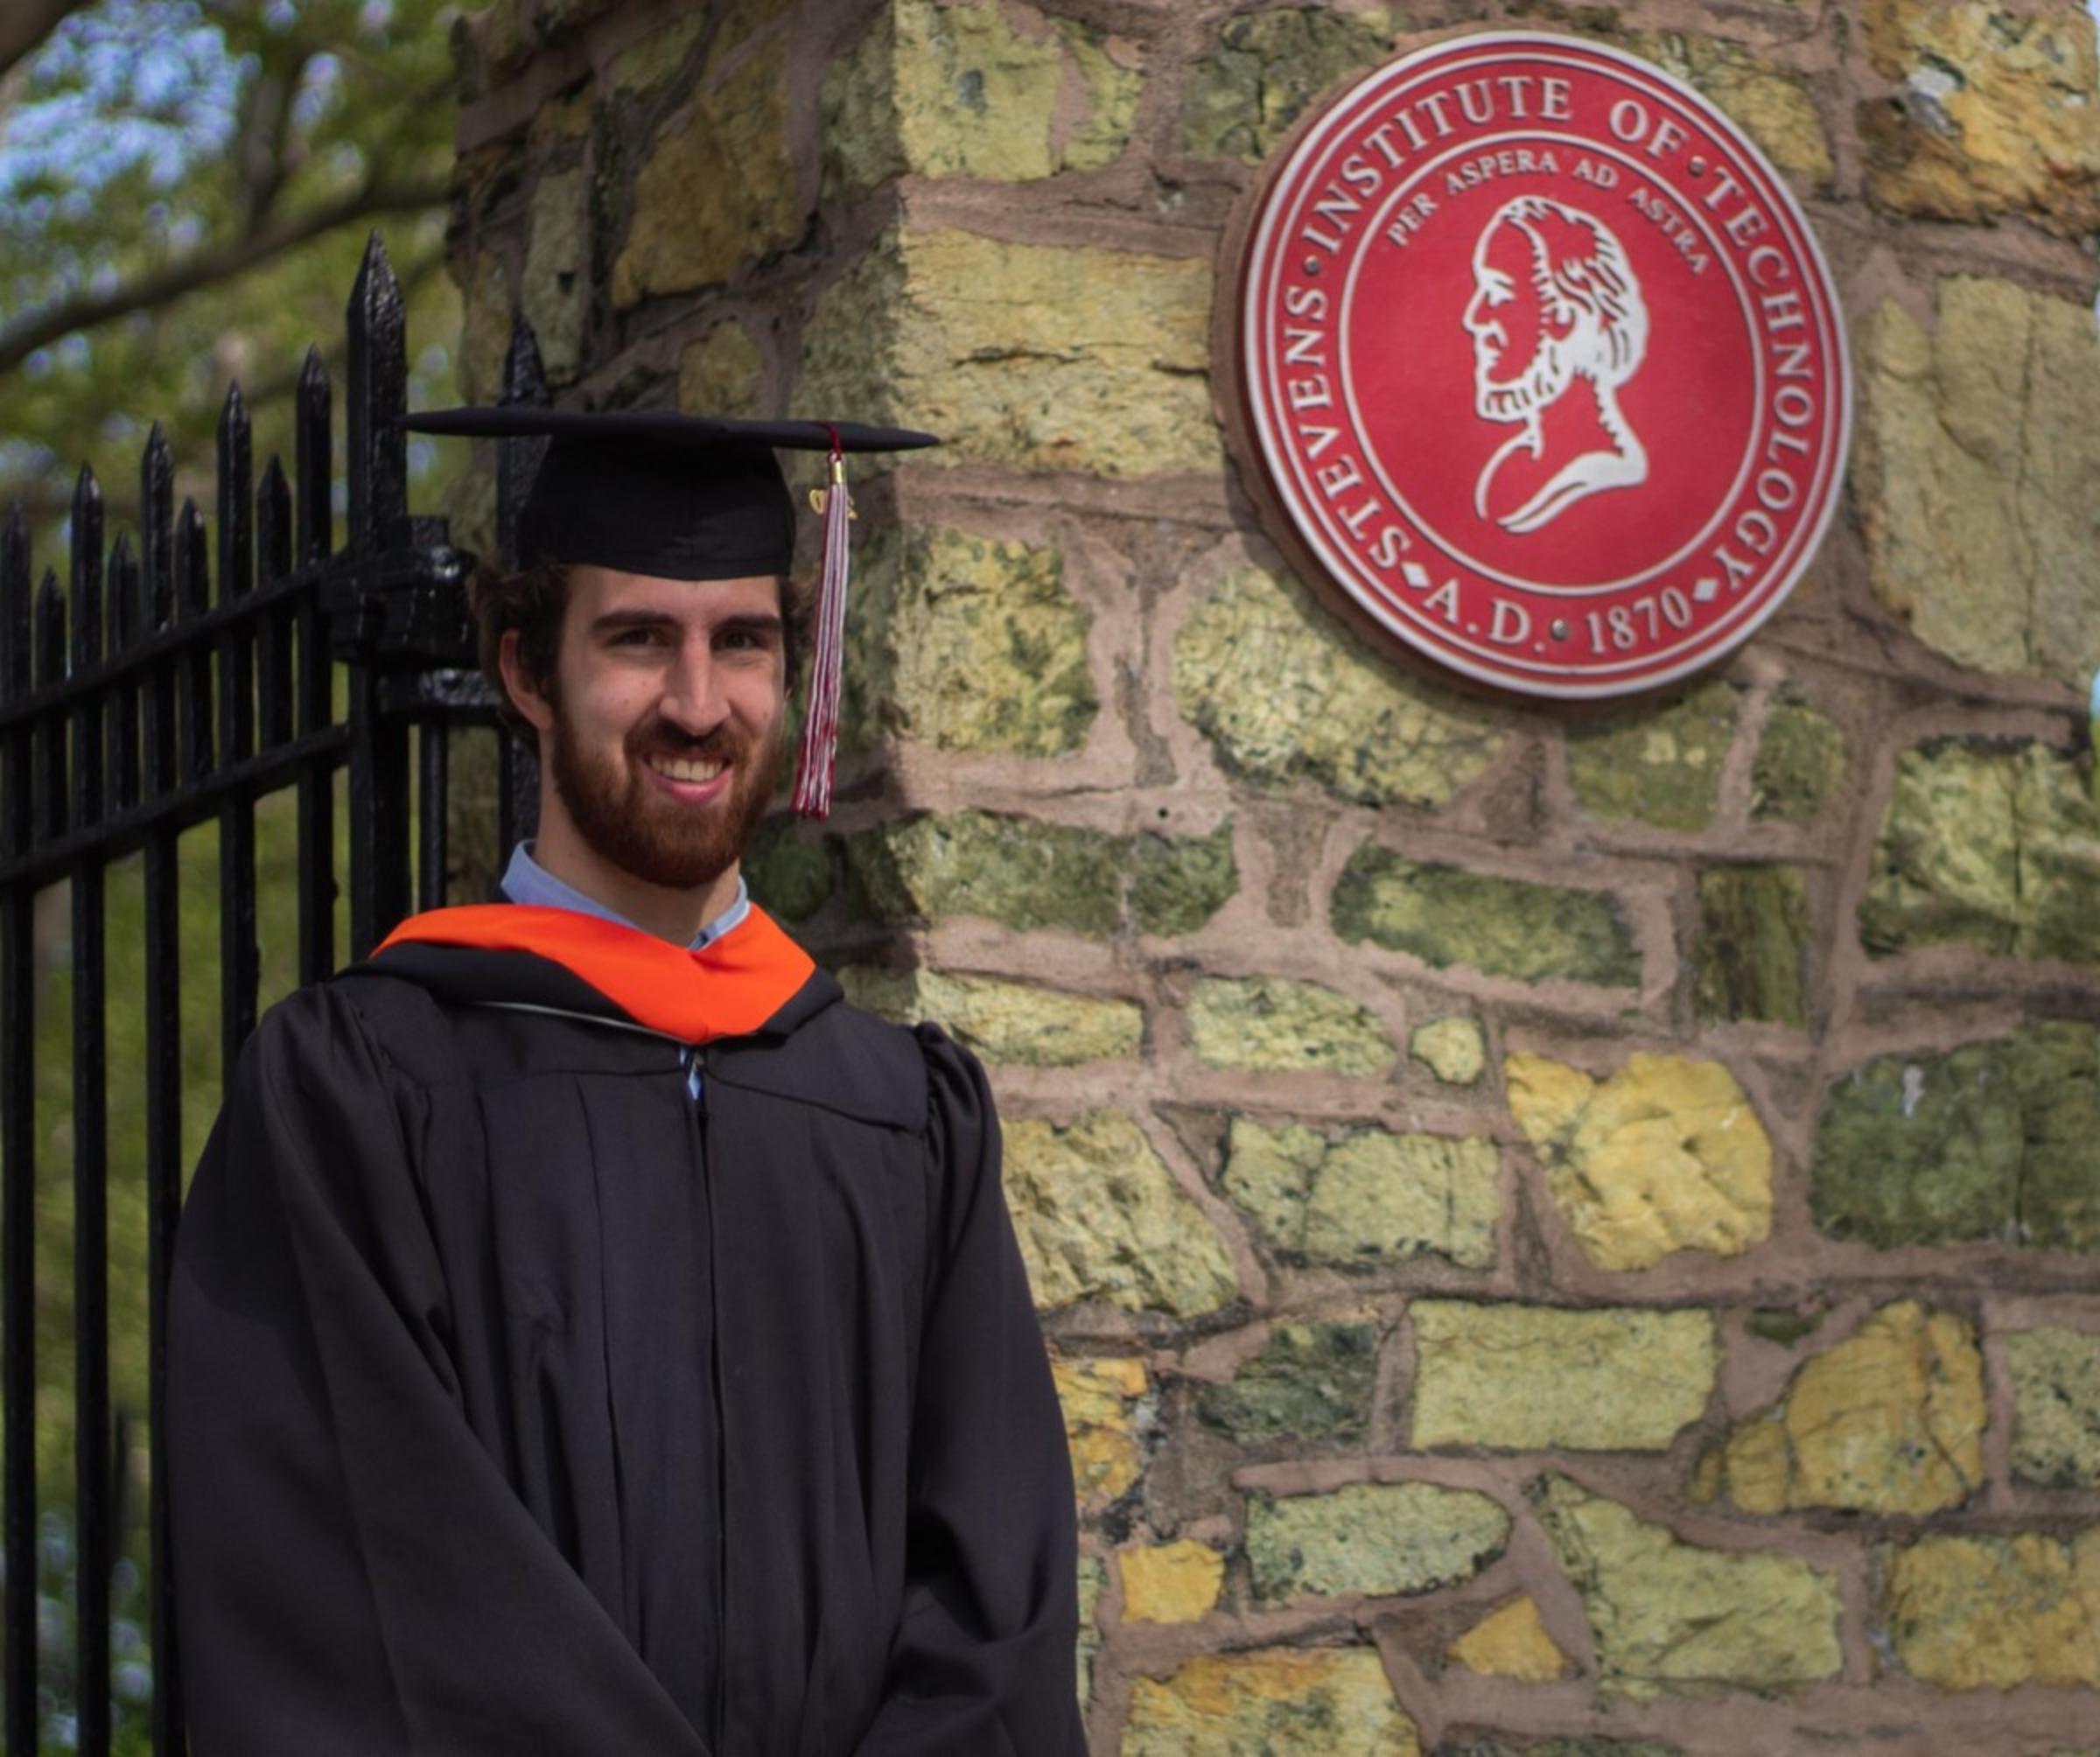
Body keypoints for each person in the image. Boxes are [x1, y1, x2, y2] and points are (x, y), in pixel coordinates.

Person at [165, 410, 1085, 1755]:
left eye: (745, 642)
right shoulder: (358, 1094)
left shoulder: (905, 1120)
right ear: (527, 672)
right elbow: (352, 1575)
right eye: (640, 638)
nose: (700, 705)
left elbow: (996, 1596)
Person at [1460, 192, 1650, 536]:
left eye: (1498, 293)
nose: (1475, 317)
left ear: (1564, 316)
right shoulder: (1513, 467)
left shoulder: (1600, 475)